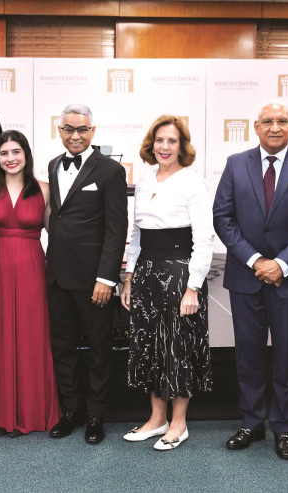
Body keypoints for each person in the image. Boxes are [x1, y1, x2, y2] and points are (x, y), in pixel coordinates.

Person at [213, 100, 288, 460]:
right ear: (256, 126)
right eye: (267, 121)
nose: (274, 127)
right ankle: (251, 422)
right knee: (247, 355)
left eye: (281, 121)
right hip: (246, 278)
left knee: (285, 358)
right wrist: (256, 260)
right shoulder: (236, 164)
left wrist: (281, 263)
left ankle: (283, 427)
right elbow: (223, 217)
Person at [120, 116, 214, 451]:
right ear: (151, 144)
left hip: (179, 273)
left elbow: (204, 238)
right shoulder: (145, 181)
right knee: (150, 346)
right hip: (146, 271)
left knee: (177, 347)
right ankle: (156, 419)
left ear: (182, 146)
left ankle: (179, 424)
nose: (164, 147)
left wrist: (193, 288)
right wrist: (129, 277)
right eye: (159, 140)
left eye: (172, 141)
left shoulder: (193, 182)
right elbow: (136, 235)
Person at [46, 103, 128, 444]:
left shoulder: (110, 170)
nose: (75, 135)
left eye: (82, 129)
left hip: (94, 281)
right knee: (62, 347)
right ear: (60, 130)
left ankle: (95, 416)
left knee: (98, 348)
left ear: (92, 132)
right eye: (68, 129)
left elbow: (116, 228)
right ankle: (70, 411)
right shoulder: (53, 165)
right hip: (56, 277)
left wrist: (106, 278)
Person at [0, 130, 59, 436]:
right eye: (4, 153)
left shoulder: (45, 190)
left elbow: (58, 235)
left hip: (32, 269)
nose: (10, 159)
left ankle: (30, 412)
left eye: (16, 152)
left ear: (26, 155)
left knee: (32, 336)